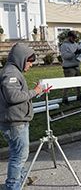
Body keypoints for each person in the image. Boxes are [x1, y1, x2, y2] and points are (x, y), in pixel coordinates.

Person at [0, 43, 43, 190]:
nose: (31, 64)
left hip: (15, 120)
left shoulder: (12, 71)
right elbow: (13, 96)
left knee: (18, 153)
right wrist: (35, 91)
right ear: (21, 58)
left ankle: (22, 177)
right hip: (15, 122)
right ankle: (13, 186)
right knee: (19, 156)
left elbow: (16, 95)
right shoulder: (11, 73)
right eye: (29, 61)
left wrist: (36, 92)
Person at [60, 30, 81, 104]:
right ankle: (65, 99)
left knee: (79, 83)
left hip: (76, 66)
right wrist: (74, 53)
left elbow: (80, 53)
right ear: (69, 37)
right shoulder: (64, 45)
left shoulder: (76, 44)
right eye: (73, 37)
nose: (75, 39)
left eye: (75, 38)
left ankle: (79, 96)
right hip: (69, 68)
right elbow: (65, 56)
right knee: (68, 84)